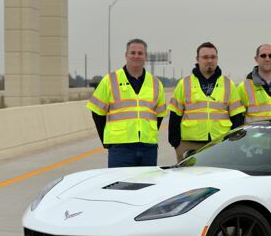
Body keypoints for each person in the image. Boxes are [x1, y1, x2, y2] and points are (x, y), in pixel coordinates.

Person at [87, 38, 166, 167]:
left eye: (140, 53)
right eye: (132, 52)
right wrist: (106, 140)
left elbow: (160, 115)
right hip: (120, 148)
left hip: (148, 148)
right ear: (126, 55)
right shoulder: (110, 80)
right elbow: (97, 113)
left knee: (148, 186)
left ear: (145, 56)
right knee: (120, 186)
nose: (136, 56)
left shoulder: (156, 83)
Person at [167, 42, 245, 162]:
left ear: (217, 59)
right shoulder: (184, 84)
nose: (209, 60)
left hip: (220, 143)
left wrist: (232, 143)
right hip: (189, 144)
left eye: (213, 57)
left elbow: (237, 117)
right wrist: (176, 143)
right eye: (205, 57)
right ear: (197, 59)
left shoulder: (228, 84)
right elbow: (174, 116)